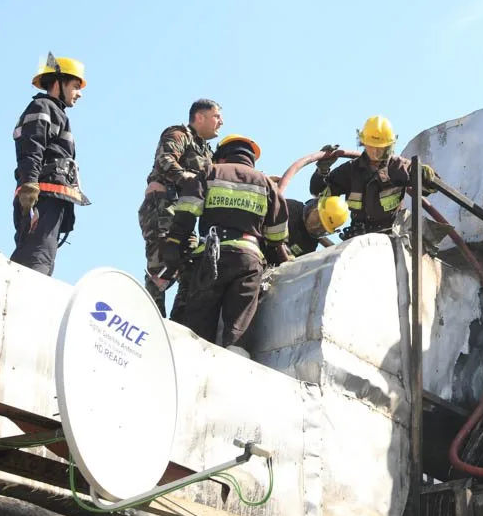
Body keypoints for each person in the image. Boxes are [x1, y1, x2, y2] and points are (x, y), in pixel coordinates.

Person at [163, 134, 289, 349]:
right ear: (251, 160)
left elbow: (186, 211)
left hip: (212, 259)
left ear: (221, 157)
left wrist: (174, 241)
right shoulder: (267, 184)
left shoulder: (211, 172)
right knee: (238, 330)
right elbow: (277, 235)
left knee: (198, 331)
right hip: (248, 262)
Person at [139, 99, 222, 319]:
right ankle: (150, 321)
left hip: (186, 215)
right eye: (216, 116)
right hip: (164, 206)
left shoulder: (207, 151)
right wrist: (190, 180)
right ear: (200, 117)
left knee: (192, 264)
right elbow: (166, 160)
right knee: (162, 265)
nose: (220, 122)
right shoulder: (179, 134)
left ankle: (179, 320)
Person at [10, 53, 90, 276]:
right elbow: (32, 148)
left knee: (42, 260)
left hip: (51, 198)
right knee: (34, 262)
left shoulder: (56, 113)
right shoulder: (42, 107)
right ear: (58, 82)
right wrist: (30, 185)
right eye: (75, 86)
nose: (79, 93)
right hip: (40, 197)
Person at [310, 115, 436, 238]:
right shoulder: (350, 171)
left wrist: (425, 175)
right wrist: (322, 171)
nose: (376, 153)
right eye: (371, 148)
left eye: (381, 149)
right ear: (363, 144)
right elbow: (319, 192)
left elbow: (431, 187)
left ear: (389, 147)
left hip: (391, 237)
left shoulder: (399, 167)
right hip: (359, 238)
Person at [285, 194, 350, 258]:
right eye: (318, 219)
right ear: (314, 208)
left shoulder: (309, 245)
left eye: (322, 228)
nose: (316, 226)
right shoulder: (289, 208)